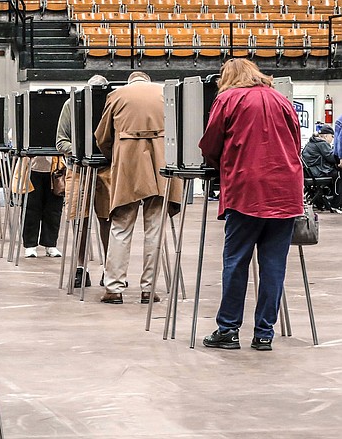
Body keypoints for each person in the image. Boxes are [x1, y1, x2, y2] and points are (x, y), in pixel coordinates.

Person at [198, 59, 304, 351]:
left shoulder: (228, 98)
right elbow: (296, 144)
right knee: (273, 266)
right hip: (285, 191)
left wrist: (218, 164)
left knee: (235, 262)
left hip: (247, 191)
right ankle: (264, 334)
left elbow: (210, 144)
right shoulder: (281, 99)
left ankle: (228, 330)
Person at [95, 71, 182, 305]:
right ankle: (149, 289)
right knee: (155, 228)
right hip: (160, 165)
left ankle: (114, 287)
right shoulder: (167, 93)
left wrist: (116, 155)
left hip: (129, 165)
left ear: (131, 81)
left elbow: (102, 137)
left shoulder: (117, 95)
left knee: (120, 227)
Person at [56, 74, 112, 288]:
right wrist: (81, 151)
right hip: (78, 169)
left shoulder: (112, 103)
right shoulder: (71, 104)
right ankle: (81, 268)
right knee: (78, 219)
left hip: (106, 170)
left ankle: (109, 269)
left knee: (107, 219)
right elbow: (61, 141)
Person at [22, 154, 66, 258]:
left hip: (56, 170)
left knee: (54, 210)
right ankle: (30, 245)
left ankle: (50, 244)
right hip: (31, 169)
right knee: (31, 209)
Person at [301, 124, 342, 211]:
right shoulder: (322, 143)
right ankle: (336, 203)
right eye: (332, 136)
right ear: (326, 136)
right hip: (317, 171)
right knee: (338, 175)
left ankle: (329, 199)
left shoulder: (313, 142)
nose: (332, 139)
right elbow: (331, 157)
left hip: (311, 172)